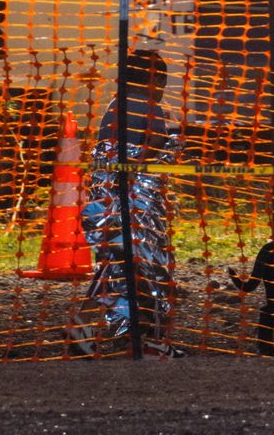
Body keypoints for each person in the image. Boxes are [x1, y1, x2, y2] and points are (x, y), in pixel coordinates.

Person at [78, 49, 182, 357]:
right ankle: (143, 339)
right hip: (134, 203)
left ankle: (86, 324)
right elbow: (157, 142)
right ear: (156, 80)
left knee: (118, 267)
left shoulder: (116, 105)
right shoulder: (149, 107)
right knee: (148, 272)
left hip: (107, 201)